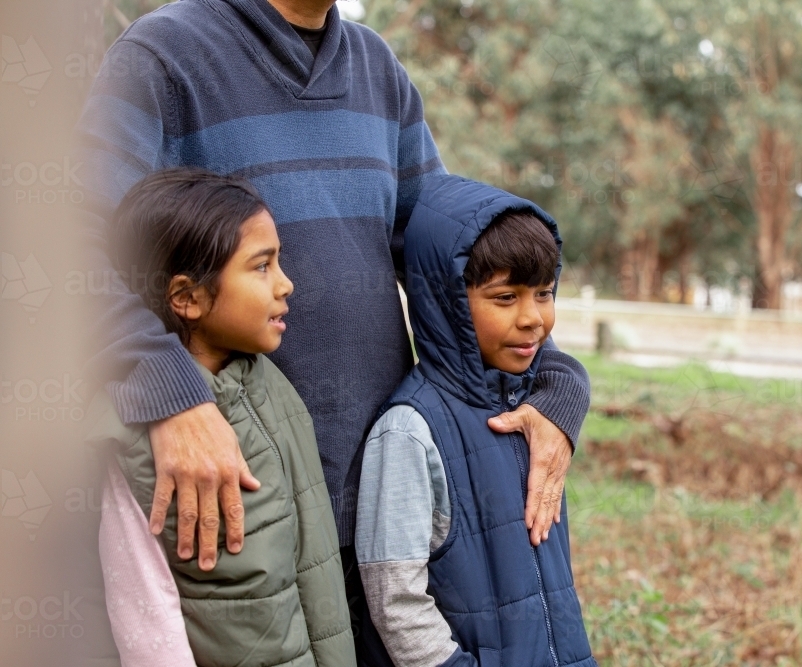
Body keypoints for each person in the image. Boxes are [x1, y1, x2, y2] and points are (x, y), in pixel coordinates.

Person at [78, 0, 590, 659]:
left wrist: (555, 378)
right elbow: (73, 247)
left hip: (383, 508)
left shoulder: (378, 69)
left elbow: (456, 257)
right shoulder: (164, 56)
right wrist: (170, 392)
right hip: (245, 514)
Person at [88, 168, 355, 667]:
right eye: (261, 266)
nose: (286, 283)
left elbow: (312, 568)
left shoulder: (270, 384)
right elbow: (146, 621)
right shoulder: (132, 437)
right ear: (187, 297)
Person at [355, 174, 596, 667]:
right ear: (448, 303)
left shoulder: (533, 412)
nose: (533, 318)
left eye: (544, 293)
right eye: (506, 298)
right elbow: (395, 597)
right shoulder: (410, 432)